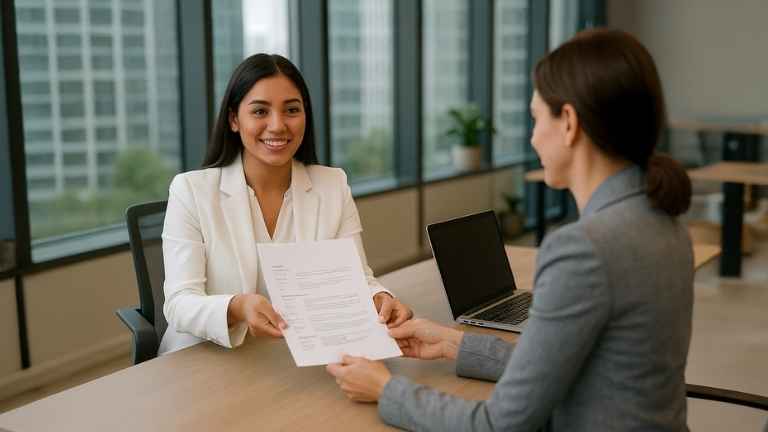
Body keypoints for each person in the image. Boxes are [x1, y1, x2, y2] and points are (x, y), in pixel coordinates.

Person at [326, 28, 695, 431]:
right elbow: (575, 366)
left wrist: (386, 389)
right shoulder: (664, 220)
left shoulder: (584, 249)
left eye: (536, 118)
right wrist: (454, 343)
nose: (533, 136)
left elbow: (499, 425)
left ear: (569, 123)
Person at [159, 54, 412, 355]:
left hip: (295, 357)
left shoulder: (332, 185)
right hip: (207, 357)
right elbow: (179, 303)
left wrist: (378, 297)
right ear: (234, 120)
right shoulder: (191, 190)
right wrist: (236, 307)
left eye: (292, 110)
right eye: (260, 111)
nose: (278, 126)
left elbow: (356, 278)